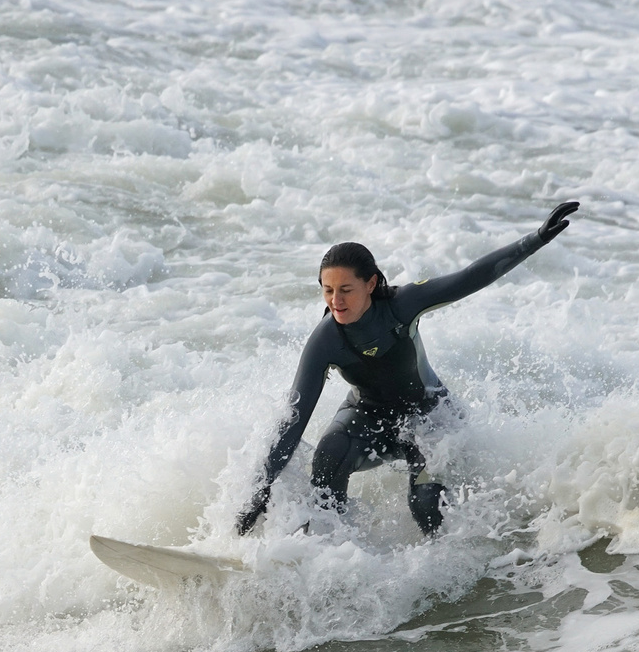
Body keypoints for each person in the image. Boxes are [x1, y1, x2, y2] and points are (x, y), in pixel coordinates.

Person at [235, 201, 579, 536]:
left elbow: (470, 277)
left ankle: (448, 568)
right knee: (328, 456)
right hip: (368, 416)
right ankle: (328, 549)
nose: (336, 301)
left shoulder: (401, 305)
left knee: (426, 505)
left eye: (345, 290)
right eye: (328, 291)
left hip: (429, 414)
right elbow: (294, 420)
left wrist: (535, 239)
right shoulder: (325, 341)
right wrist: (260, 488)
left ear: (370, 284)